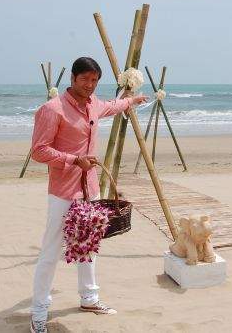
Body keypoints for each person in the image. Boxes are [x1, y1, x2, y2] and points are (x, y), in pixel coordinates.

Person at [29, 57, 147, 333]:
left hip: (90, 189)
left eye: (94, 80)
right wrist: (73, 159)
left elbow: (112, 106)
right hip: (63, 192)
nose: (90, 86)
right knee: (51, 250)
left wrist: (132, 100)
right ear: (72, 78)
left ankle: (89, 298)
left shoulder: (94, 103)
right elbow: (38, 150)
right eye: (85, 80)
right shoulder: (52, 109)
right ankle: (38, 312)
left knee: (89, 244)